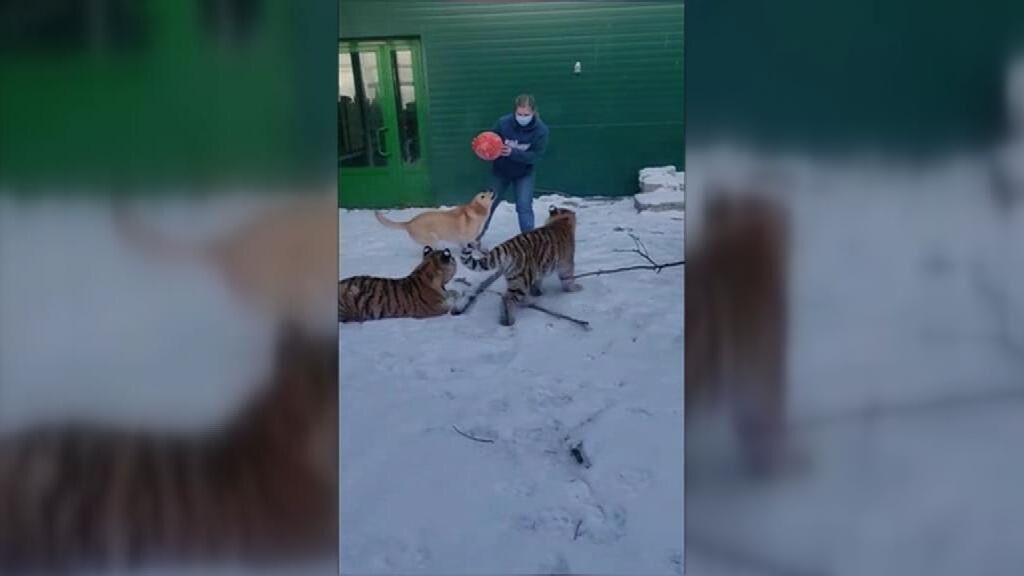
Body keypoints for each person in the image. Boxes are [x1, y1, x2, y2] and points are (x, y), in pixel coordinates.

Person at [476, 94, 550, 241]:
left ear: (533, 112)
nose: (522, 117)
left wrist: (512, 152)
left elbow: (536, 156)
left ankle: (530, 243)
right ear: (514, 112)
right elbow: (489, 139)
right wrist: (482, 147)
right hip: (500, 171)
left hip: (524, 173)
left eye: (526, 114)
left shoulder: (541, 131)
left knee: (524, 206)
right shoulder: (503, 123)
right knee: (487, 206)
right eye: (519, 114)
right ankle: (474, 239)